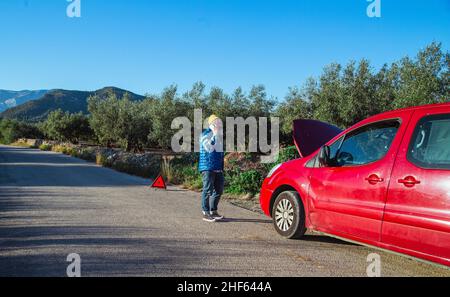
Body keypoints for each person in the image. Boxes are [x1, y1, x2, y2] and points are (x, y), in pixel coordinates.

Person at [199, 115, 225, 222]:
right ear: (211, 124)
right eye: (217, 123)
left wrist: (221, 167)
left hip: (217, 168)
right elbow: (209, 148)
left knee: (218, 190)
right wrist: (214, 134)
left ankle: (213, 211)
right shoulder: (205, 134)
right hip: (208, 167)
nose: (219, 125)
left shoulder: (218, 135)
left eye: (220, 123)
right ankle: (205, 212)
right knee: (207, 190)